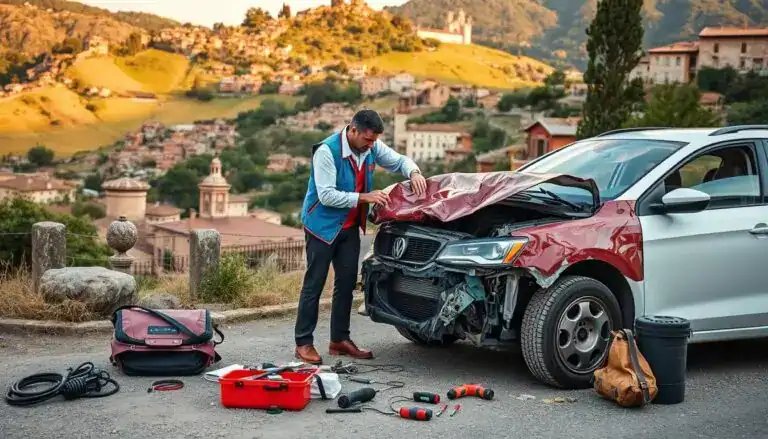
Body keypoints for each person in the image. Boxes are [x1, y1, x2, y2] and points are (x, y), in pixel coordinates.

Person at [293, 109, 426, 365]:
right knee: (314, 284)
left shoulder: (370, 145)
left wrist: (414, 172)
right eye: (367, 139)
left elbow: (399, 161)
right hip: (321, 227)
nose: (371, 145)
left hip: (349, 227)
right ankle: (303, 343)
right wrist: (365, 197)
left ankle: (339, 339)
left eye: (374, 140)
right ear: (353, 130)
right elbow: (326, 196)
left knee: (346, 285)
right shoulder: (326, 152)